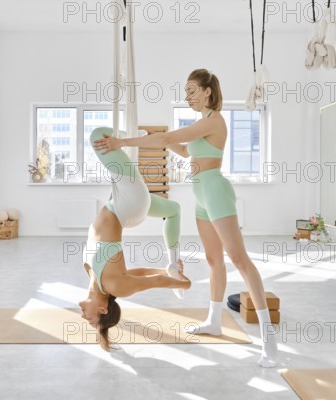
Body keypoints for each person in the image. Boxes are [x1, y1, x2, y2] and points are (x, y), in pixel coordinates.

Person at [93, 69, 278, 367]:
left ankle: (269, 340)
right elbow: (180, 148)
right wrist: (154, 139)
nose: (187, 96)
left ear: (208, 91)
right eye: (185, 91)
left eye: (192, 90)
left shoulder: (214, 120)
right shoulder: (201, 124)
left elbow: (171, 137)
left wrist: (123, 143)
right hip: (201, 194)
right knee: (214, 261)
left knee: (240, 259)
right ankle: (214, 321)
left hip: (215, 190)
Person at [80, 127, 191, 351]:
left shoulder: (97, 280)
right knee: (98, 137)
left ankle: (171, 262)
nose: (84, 318)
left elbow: (138, 272)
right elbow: (153, 282)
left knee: (173, 210)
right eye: (91, 321)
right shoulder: (116, 287)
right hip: (127, 206)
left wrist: (164, 270)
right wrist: (184, 283)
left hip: (121, 205)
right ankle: (133, 132)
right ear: (103, 310)